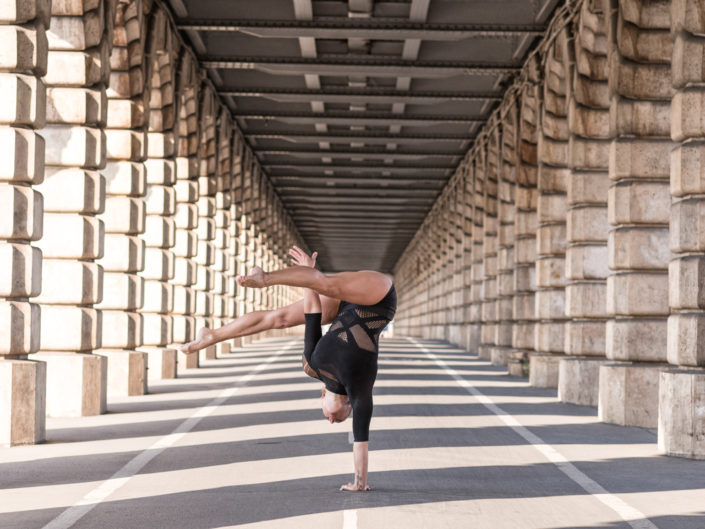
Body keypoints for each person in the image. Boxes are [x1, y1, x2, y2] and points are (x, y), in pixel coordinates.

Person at [179, 246, 397, 492]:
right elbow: (361, 442)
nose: (331, 420)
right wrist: (360, 483)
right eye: (339, 419)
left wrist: (307, 274)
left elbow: (312, 312)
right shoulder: (360, 389)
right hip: (379, 298)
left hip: (345, 307)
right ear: (350, 405)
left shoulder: (311, 365)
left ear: (322, 395)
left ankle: (211, 336)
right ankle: (266, 278)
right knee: (328, 285)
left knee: (279, 318)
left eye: (329, 419)